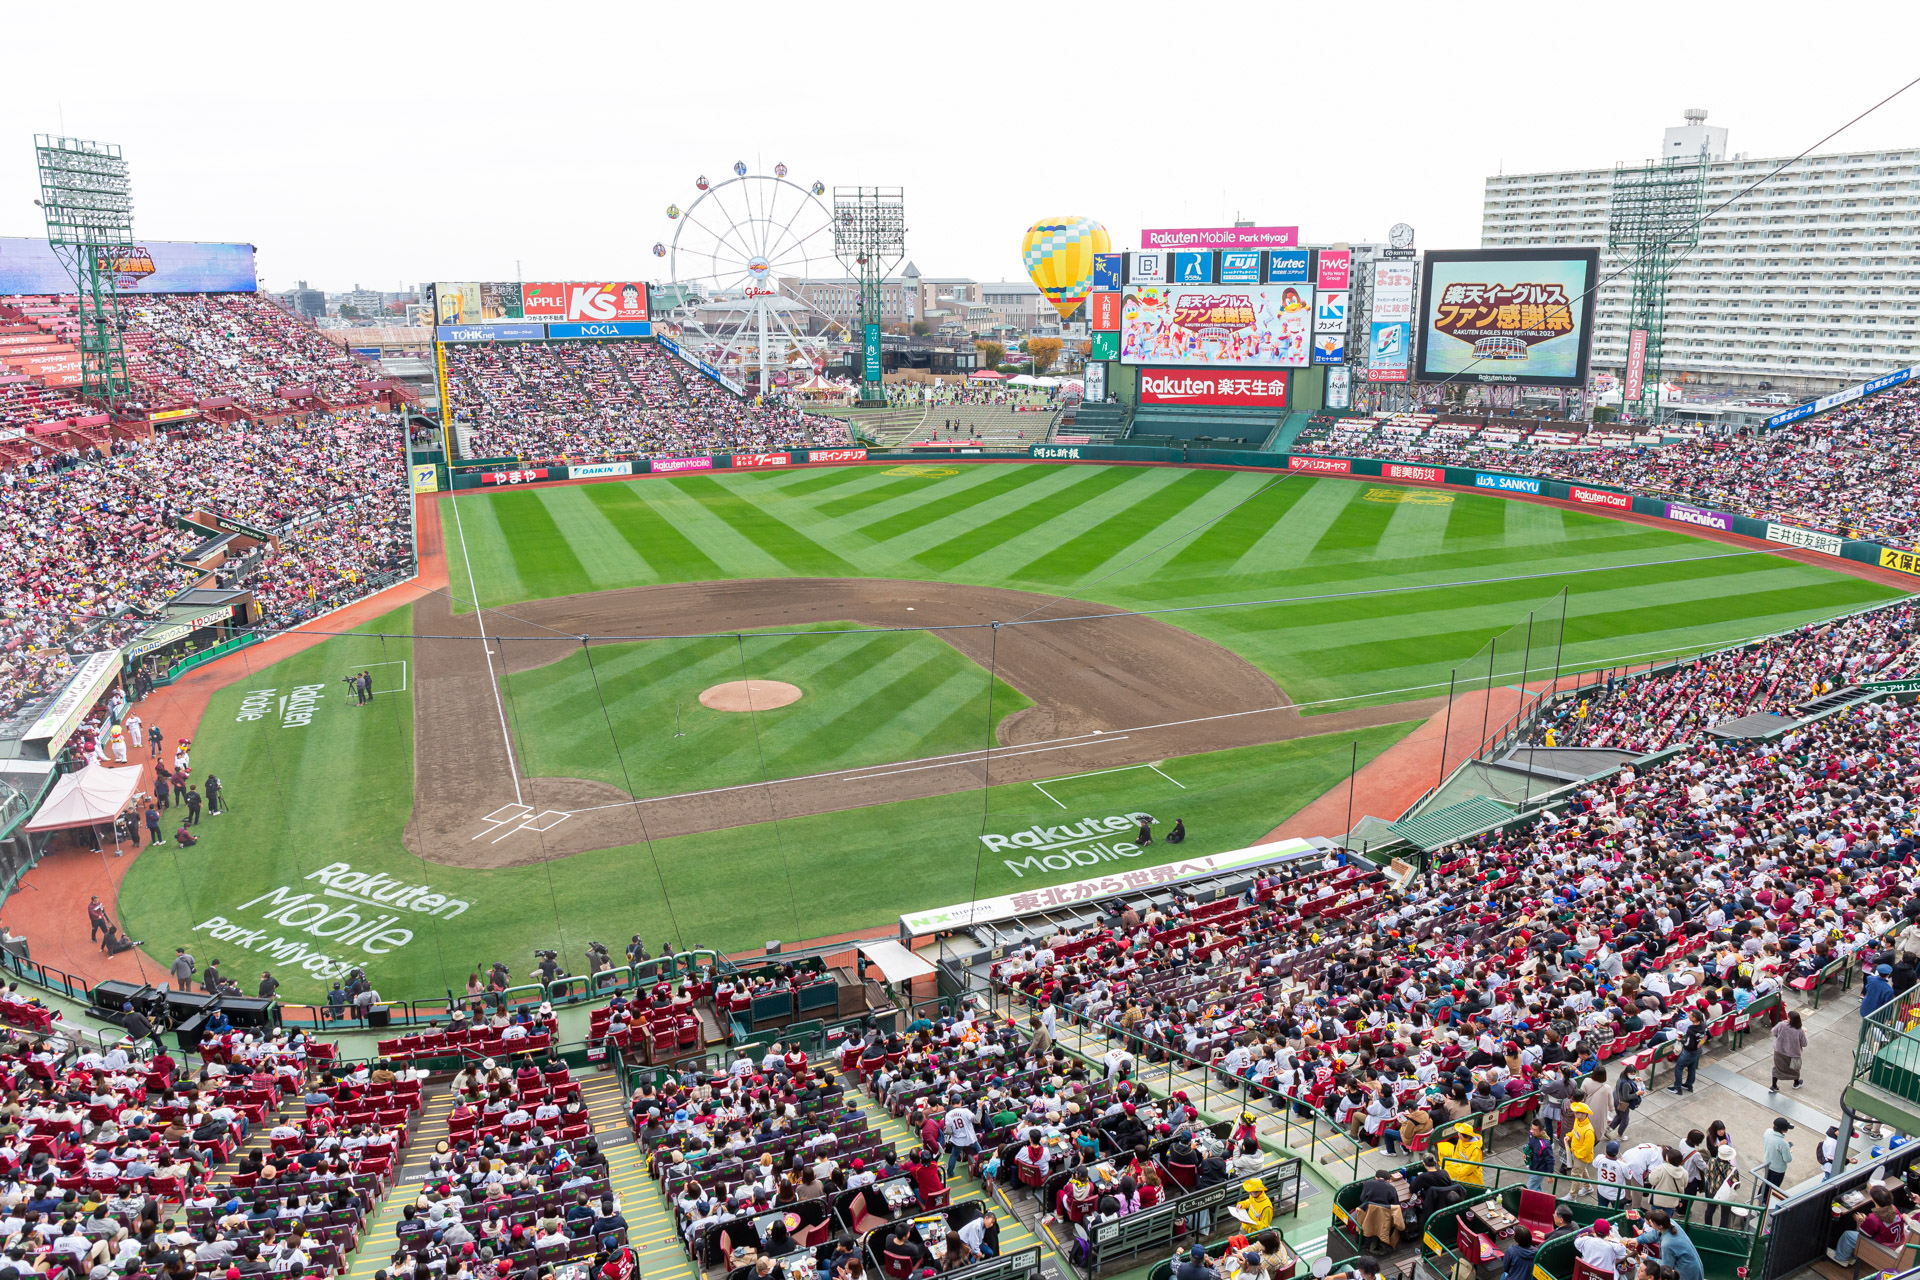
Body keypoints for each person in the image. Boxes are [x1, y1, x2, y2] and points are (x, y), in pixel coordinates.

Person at [1637, 1209, 1703, 1280]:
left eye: (1652, 1222)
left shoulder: (1667, 1244)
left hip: (1686, 1272)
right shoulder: (1670, 1222)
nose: (1650, 1222)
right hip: (1694, 1266)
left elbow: (1666, 1266)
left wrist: (1648, 1258)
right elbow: (1656, 1233)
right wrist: (1638, 1240)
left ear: (1660, 1226)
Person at [1771, 1011, 1808, 1091]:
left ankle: (1774, 1086)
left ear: (1789, 1019)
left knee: (1777, 1068)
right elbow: (1804, 1043)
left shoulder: (1782, 1025)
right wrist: (1805, 1033)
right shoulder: (1800, 1030)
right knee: (1795, 1069)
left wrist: (1780, 1037)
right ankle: (1796, 1083)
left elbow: (1773, 1031)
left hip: (1779, 1051)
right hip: (1793, 1054)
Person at [1763, 1119, 1793, 1197]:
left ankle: (1760, 1198)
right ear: (1783, 1130)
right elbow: (1788, 1159)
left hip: (1767, 1164)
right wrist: (1789, 1151)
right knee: (1773, 1188)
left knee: (1765, 1183)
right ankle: (1766, 1202)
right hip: (1778, 1169)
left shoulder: (1768, 1132)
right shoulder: (1783, 1143)